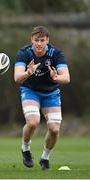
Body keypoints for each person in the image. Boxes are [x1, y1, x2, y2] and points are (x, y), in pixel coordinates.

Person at [14, 26, 70, 170]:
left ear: (47, 40)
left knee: (55, 130)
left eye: (42, 40)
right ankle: (25, 149)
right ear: (31, 39)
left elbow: (67, 77)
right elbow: (17, 77)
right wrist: (28, 72)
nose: (39, 43)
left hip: (51, 93)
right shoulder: (24, 53)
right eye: (36, 40)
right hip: (30, 91)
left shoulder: (55, 54)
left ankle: (45, 157)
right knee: (33, 122)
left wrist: (57, 77)